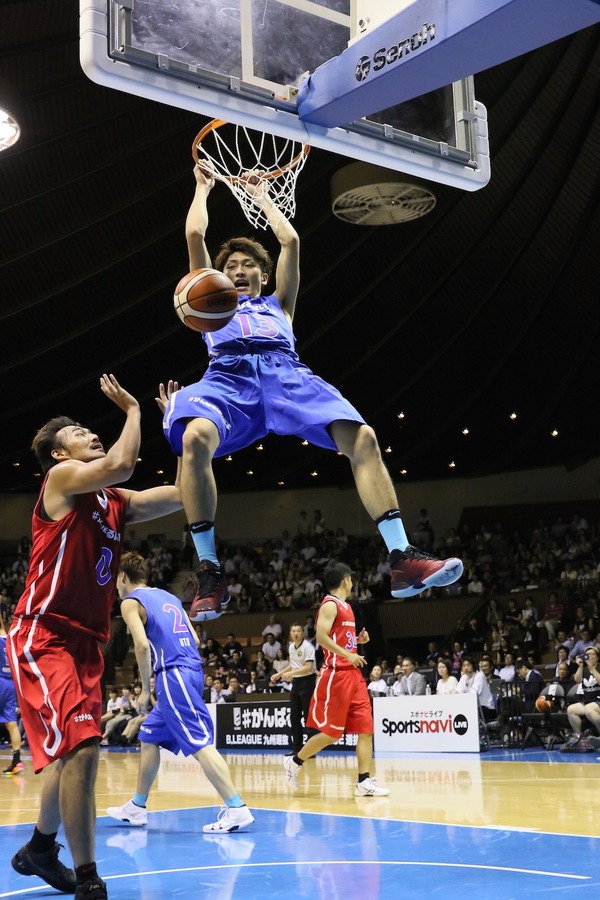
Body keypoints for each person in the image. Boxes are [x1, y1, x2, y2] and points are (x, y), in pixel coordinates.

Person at [161, 162, 464, 618]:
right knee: (193, 439)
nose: (238, 271)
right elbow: (194, 239)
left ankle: (402, 559)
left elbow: (291, 242)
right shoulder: (214, 305)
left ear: (264, 277)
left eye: (248, 266)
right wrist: (203, 190)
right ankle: (209, 570)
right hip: (229, 378)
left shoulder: (280, 304)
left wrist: (263, 197)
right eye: (231, 267)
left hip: (288, 376)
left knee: (362, 438)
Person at [7, 376, 183, 900]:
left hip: (86, 645)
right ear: (62, 453)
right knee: (83, 746)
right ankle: (88, 880)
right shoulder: (61, 478)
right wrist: (133, 410)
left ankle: (40, 848)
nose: (93, 435)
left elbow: (181, 494)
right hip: (44, 634)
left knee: (70, 751)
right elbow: (122, 464)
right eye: (82, 432)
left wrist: (184, 434)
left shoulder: (114, 502)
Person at [106, 553, 253, 833]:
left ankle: (237, 808)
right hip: (191, 671)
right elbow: (196, 639)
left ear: (123, 576)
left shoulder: (130, 602)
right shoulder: (169, 597)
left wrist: (145, 691)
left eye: (115, 578)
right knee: (149, 734)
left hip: (173, 676)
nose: (114, 584)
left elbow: (141, 646)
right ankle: (137, 807)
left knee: (199, 743)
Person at [283, 562, 388, 796]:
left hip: (354, 675)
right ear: (344, 581)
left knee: (365, 728)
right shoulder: (330, 605)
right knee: (331, 734)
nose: (352, 583)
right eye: (351, 579)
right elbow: (321, 637)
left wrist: (356, 642)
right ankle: (296, 761)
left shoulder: (347, 607)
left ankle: (363, 781)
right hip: (336, 675)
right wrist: (349, 653)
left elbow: (339, 639)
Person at [269, 623, 317, 755]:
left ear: (303, 633)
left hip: (308, 682)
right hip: (296, 683)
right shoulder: (291, 647)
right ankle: (297, 748)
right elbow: (293, 664)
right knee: (294, 716)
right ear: (290, 633)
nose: (296, 633)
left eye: (298, 631)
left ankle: (311, 750)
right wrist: (279, 674)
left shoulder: (308, 647)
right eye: (293, 631)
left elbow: (308, 667)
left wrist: (290, 674)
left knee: (308, 717)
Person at [0, 614, 23, 775]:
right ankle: (17, 761)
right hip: (10, 683)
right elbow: (1, 625)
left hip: (0, 681)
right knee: (11, 723)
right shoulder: (7, 639)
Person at [566, 645, 600, 740]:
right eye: (587, 654)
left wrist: (592, 668)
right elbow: (577, 680)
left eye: (592, 654)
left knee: (589, 709)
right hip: (587, 700)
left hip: (598, 700)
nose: (590, 656)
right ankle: (579, 737)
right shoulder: (584, 670)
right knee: (571, 709)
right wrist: (580, 666)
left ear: (597, 657)